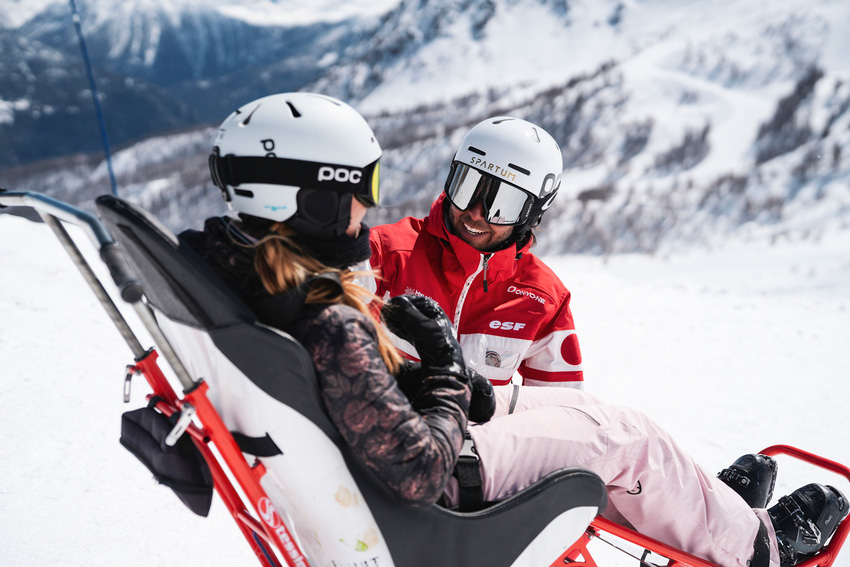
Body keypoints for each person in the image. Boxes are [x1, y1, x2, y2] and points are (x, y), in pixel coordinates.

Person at [186, 92, 846, 567]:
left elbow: (552, 403)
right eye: (362, 187)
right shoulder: (344, 294)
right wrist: (444, 379)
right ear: (316, 197)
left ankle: (709, 513)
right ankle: (758, 546)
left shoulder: (252, 274)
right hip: (432, 468)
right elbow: (421, 460)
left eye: (499, 201)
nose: (475, 211)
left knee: (589, 421)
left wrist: (441, 379)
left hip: (390, 438)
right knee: (619, 436)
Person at [359, 116, 584, 388]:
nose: (475, 213)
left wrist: (490, 410)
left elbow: (560, 410)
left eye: (502, 205)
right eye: (466, 188)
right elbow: (328, 345)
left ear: (531, 214)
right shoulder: (385, 253)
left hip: (487, 432)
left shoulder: (542, 298)